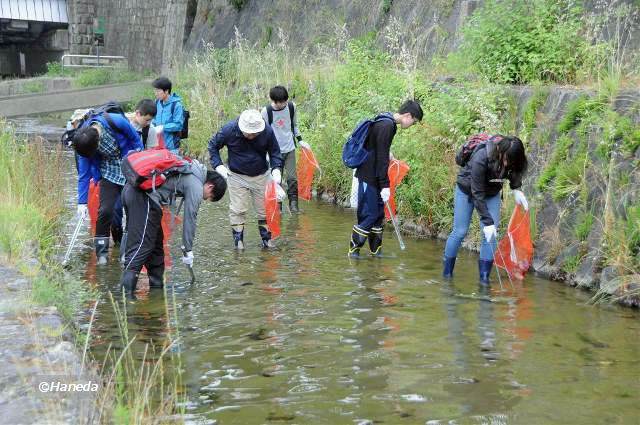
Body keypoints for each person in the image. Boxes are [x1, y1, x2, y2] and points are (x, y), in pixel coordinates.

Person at [120, 162, 227, 295]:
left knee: (156, 249)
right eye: (210, 197)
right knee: (142, 247)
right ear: (210, 186)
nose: (205, 199)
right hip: (143, 198)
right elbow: (190, 218)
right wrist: (188, 249)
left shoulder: (190, 169)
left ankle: (156, 293)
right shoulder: (196, 184)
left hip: (132, 191)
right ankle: (126, 299)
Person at [442, 135, 529, 284]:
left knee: (490, 235)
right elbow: (477, 193)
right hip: (467, 190)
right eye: (506, 159)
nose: (507, 163)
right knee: (460, 231)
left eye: (511, 161)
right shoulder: (481, 157)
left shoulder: (513, 160)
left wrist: (516, 189)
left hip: (491, 193)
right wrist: (487, 221)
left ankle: (484, 279)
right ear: (499, 151)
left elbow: (514, 172)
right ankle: (447, 274)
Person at [348, 99, 423, 257]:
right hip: (369, 176)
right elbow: (381, 158)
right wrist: (385, 185)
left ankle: (376, 251)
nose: (412, 126)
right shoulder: (387, 125)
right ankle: (353, 250)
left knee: (379, 215)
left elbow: (378, 149)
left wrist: (387, 154)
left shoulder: (386, 121)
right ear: (408, 116)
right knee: (370, 214)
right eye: (414, 122)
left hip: (374, 176)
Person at [73, 111, 142, 265]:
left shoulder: (116, 122)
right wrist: (81, 203)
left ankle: (128, 251)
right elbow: (84, 175)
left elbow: (136, 140)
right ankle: (101, 254)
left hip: (128, 165)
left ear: (98, 143)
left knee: (132, 210)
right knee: (105, 210)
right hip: (108, 171)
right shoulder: (83, 140)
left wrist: (140, 166)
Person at [208, 109, 284, 250]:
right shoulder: (229, 130)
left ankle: (267, 242)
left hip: (261, 175)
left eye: (254, 133)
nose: (251, 135)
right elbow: (212, 146)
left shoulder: (266, 131)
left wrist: (276, 171)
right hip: (236, 176)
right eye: (248, 132)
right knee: (238, 210)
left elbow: (275, 152)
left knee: (264, 211)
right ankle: (239, 243)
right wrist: (219, 166)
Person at [261, 85, 310, 213]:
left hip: (289, 148)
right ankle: (278, 209)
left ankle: (294, 207)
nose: (283, 104)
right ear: (273, 101)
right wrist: (264, 153)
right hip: (273, 152)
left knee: (292, 178)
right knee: (276, 180)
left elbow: (294, 126)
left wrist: (300, 141)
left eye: (285, 101)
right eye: (280, 103)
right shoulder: (266, 112)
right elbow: (263, 133)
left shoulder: (291, 107)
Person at [152, 76, 185, 153]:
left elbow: (178, 125)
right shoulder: (157, 103)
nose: (155, 93)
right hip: (158, 146)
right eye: (155, 91)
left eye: (158, 91)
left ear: (166, 91)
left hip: (172, 148)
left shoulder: (176, 105)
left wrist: (163, 127)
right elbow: (154, 119)